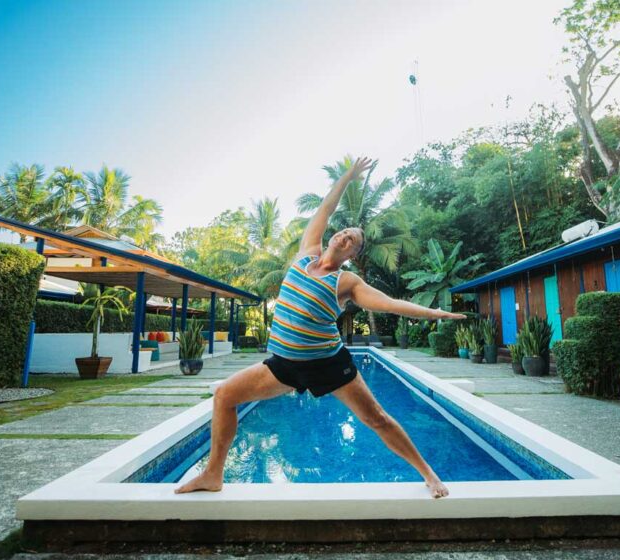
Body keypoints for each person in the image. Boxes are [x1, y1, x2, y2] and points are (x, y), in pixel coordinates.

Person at [175, 157, 465, 498]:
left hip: (328, 364)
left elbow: (389, 304)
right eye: (344, 232)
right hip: (283, 364)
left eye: (353, 240)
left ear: (352, 254)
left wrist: (437, 315)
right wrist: (347, 177)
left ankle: (429, 474)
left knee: (377, 418)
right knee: (224, 395)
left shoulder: (347, 282)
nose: (345, 236)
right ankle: (213, 474)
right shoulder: (305, 254)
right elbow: (326, 210)